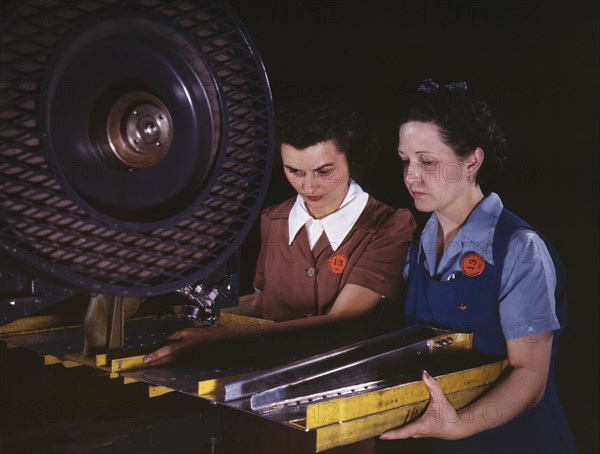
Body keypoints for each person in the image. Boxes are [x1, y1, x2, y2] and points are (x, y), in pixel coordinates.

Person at [143, 97, 416, 367]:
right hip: (272, 369)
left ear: (352, 157)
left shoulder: (388, 224)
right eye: (294, 170)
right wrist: (181, 314)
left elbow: (340, 324)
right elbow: (264, 303)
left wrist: (219, 337)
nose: (308, 186)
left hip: (349, 374)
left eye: (324, 171)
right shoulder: (274, 219)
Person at [379, 80, 576, 452]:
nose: (411, 176)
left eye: (428, 162)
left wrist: (458, 426)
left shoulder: (520, 249)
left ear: (472, 161)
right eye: (406, 160)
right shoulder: (420, 245)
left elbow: (531, 377)